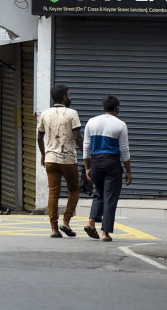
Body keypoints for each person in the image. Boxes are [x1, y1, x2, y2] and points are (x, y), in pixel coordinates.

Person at [83, 95, 132, 242]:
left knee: (99, 193)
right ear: (117, 108)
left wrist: (87, 168)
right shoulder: (121, 125)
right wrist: (128, 171)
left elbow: (86, 147)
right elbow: (124, 150)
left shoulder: (91, 122)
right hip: (112, 163)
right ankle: (105, 232)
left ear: (103, 107)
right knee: (110, 197)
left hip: (96, 163)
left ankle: (91, 222)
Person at [37, 84, 83, 238]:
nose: (70, 98)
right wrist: (87, 154)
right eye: (69, 95)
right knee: (74, 190)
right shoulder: (72, 113)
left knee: (53, 193)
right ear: (64, 97)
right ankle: (66, 221)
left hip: (50, 159)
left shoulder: (45, 114)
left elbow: (39, 137)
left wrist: (43, 154)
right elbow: (78, 137)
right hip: (68, 159)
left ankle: (54, 229)